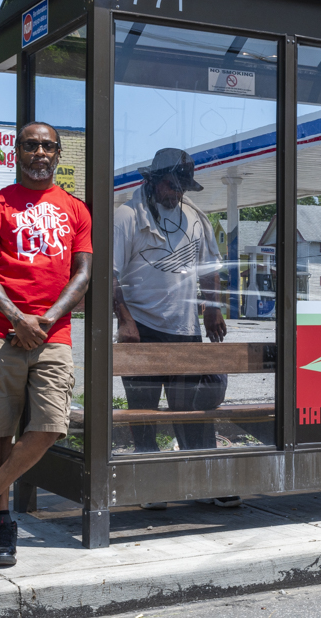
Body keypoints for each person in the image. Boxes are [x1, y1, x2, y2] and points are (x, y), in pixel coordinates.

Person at [0, 122, 92, 567]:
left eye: (47, 147)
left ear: (58, 154)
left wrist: (45, 321)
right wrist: (17, 317)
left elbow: (82, 274)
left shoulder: (76, 209)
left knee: (51, 425)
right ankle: (3, 525)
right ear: (18, 152)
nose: (39, 153)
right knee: (0, 431)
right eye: (30, 145)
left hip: (54, 334)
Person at [113, 147, 239, 509]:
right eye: (171, 185)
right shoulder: (126, 216)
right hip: (142, 329)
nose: (176, 193)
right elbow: (110, 273)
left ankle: (204, 480)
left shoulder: (195, 217)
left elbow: (211, 266)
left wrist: (213, 310)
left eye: (183, 187)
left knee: (194, 413)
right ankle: (152, 485)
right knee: (145, 412)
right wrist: (124, 319)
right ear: (150, 181)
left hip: (184, 329)